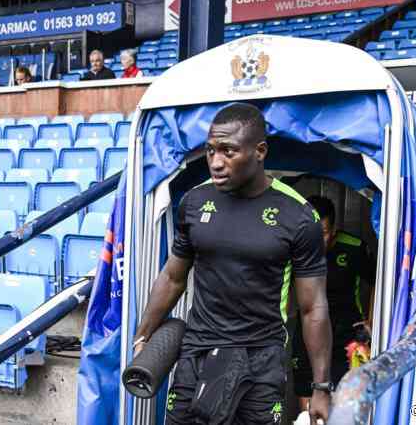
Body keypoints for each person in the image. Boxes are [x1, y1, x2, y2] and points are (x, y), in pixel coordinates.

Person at [133, 103, 333, 425]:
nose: (216, 162)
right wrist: (142, 337)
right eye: (211, 150)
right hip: (197, 354)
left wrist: (321, 386)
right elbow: (172, 277)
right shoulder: (195, 202)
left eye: (228, 151)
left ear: (260, 151)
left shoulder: (298, 215)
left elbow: (313, 308)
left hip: (261, 360)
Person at [291, 195, 374, 414]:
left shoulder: (354, 248)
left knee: (341, 403)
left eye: (324, 233)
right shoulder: (295, 246)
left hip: (346, 336)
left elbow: (378, 279)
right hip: (308, 331)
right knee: (307, 405)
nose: (318, 240)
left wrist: (371, 321)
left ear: (334, 229)